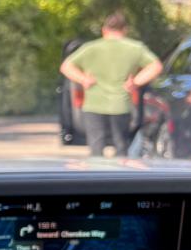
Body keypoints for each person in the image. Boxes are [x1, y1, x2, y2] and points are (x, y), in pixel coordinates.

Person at [59, 12, 163, 157]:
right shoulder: (135, 48)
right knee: (121, 146)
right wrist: (136, 82)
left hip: (94, 104)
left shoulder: (91, 48)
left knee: (96, 147)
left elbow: (66, 67)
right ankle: (120, 178)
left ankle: (96, 177)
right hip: (120, 104)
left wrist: (83, 79)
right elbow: (156, 66)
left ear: (104, 29)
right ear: (125, 30)